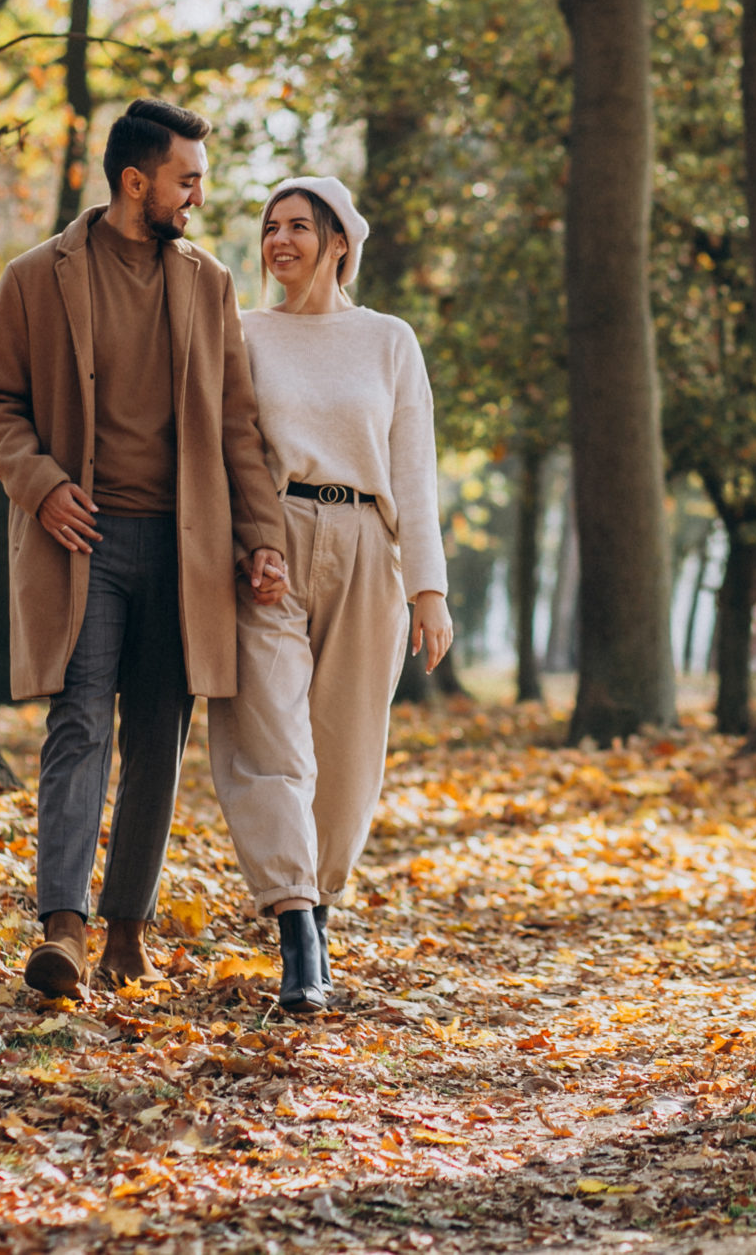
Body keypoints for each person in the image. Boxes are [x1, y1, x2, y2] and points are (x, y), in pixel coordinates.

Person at [0, 98, 290, 997]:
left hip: (185, 552)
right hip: (83, 543)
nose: (198, 195)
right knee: (78, 724)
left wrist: (262, 539)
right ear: (135, 181)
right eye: (187, 179)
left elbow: (237, 426)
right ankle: (61, 928)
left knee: (159, 732)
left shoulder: (208, 282)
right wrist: (42, 485)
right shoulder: (37, 277)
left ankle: (125, 932)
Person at [207, 176, 452, 1013]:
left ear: (339, 240)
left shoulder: (389, 341)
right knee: (267, 734)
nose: (279, 241)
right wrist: (251, 541)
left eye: (298, 227)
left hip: (365, 549)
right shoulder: (242, 333)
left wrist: (429, 589)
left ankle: (320, 890)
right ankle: (296, 925)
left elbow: (414, 471)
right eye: (270, 226)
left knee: (345, 756)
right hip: (270, 548)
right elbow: (226, 450)